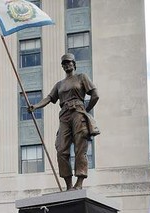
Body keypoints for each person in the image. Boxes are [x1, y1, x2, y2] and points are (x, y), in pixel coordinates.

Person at [29, 52, 99, 191]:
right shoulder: (59, 84)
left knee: (80, 148)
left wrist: (85, 110)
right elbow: (49, 98)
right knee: (61, 149)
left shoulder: (81, 77)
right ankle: (68, 185)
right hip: (64, 115)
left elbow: (95, 95)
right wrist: (35, 106)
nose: (67, 65)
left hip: (78, 112)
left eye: (69, 62)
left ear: (74, 63)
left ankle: (79, 183)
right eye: (64, 63)